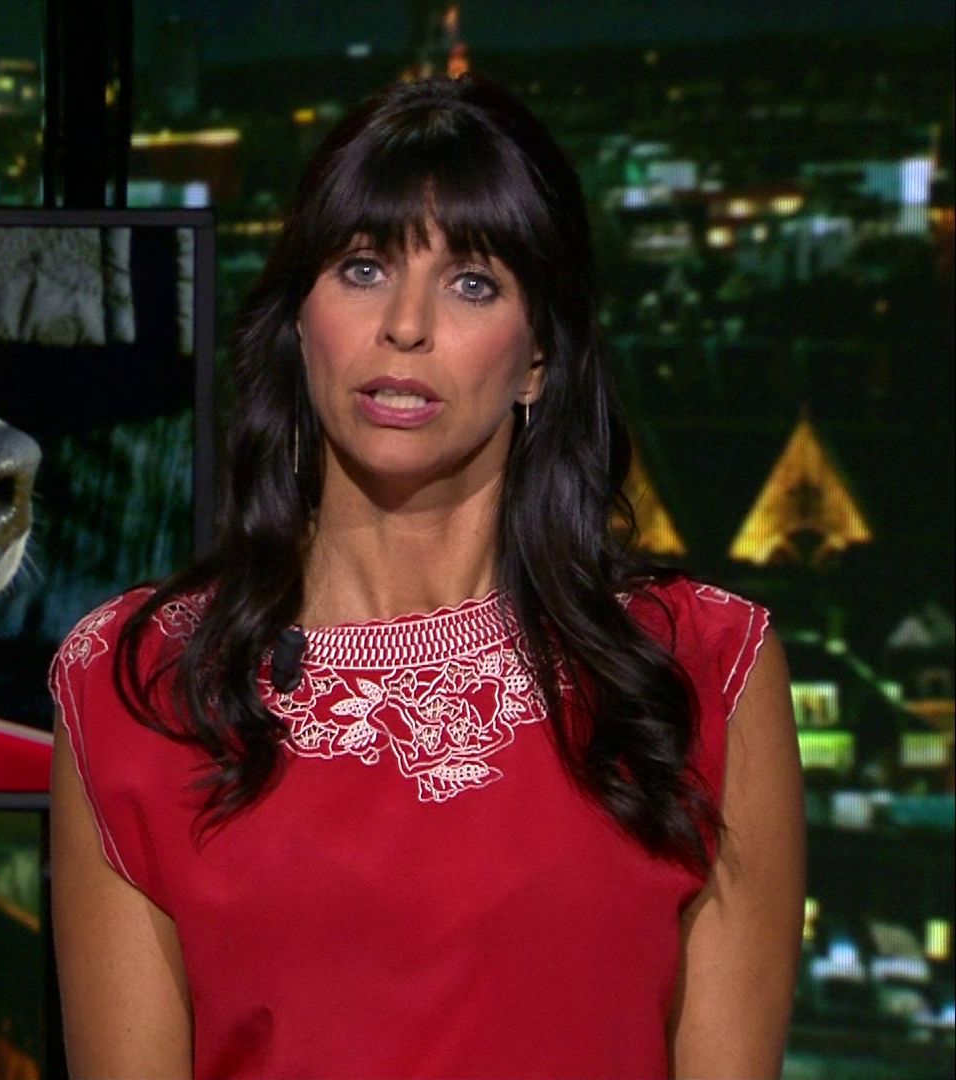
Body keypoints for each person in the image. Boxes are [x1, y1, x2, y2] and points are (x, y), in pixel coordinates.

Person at [48, 74, 804, 1079]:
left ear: (538, 359)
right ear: (299, 320)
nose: (405, 324)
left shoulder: (702, 670)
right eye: (363, 268)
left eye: (472, 283)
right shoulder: (136, 688)